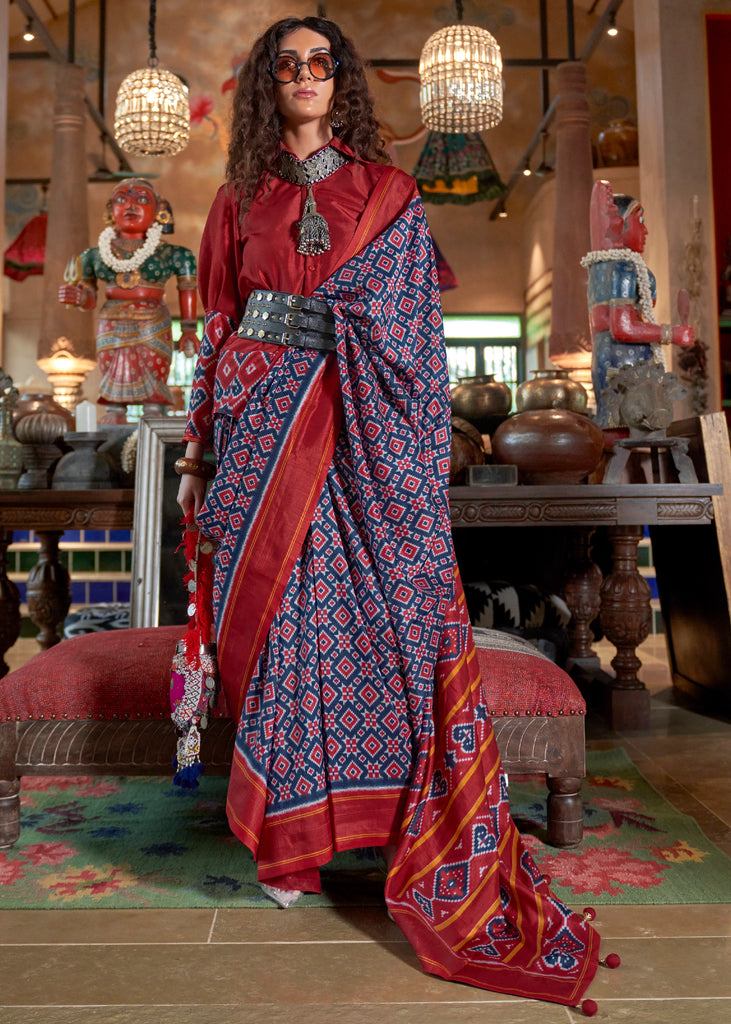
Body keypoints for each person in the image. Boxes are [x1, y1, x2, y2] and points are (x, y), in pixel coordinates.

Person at [177, 15, 603, 1010]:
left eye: (320, 64)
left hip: (359, 435)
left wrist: (355, 354)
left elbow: (416, 323)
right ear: (266, 87)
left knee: (365, 631)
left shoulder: (388, 193)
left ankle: (369, 829)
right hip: (257, 427)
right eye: (286, 67)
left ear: (343, 81)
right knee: (280, 634)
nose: (303, 78)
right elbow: (216, 325)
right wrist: (199, 449)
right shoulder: (238, 200)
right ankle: (286, 848)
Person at [58, 178, 200, 424]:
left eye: (142, 199)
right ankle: (115, 411)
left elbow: (187, 288)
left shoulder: (174, 254)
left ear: (160, 211)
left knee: (153, 379)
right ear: (110, 211)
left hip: (153, 320)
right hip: (111, 320)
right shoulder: (94, 256)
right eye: (121, 199)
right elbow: (91, 298)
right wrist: (80, 297)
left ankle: (153, 413)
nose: (130, 206)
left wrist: (189, 329)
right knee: (112, 374)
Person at [581, 179, 694, 426]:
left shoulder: (601, 267)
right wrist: (671, 333)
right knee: (631, 430)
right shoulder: (622, 266)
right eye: (640, 221)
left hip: (612, 358)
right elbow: (622, 327)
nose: (645, 231)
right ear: (619, 225)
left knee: (614, 429)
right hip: (624, 364)